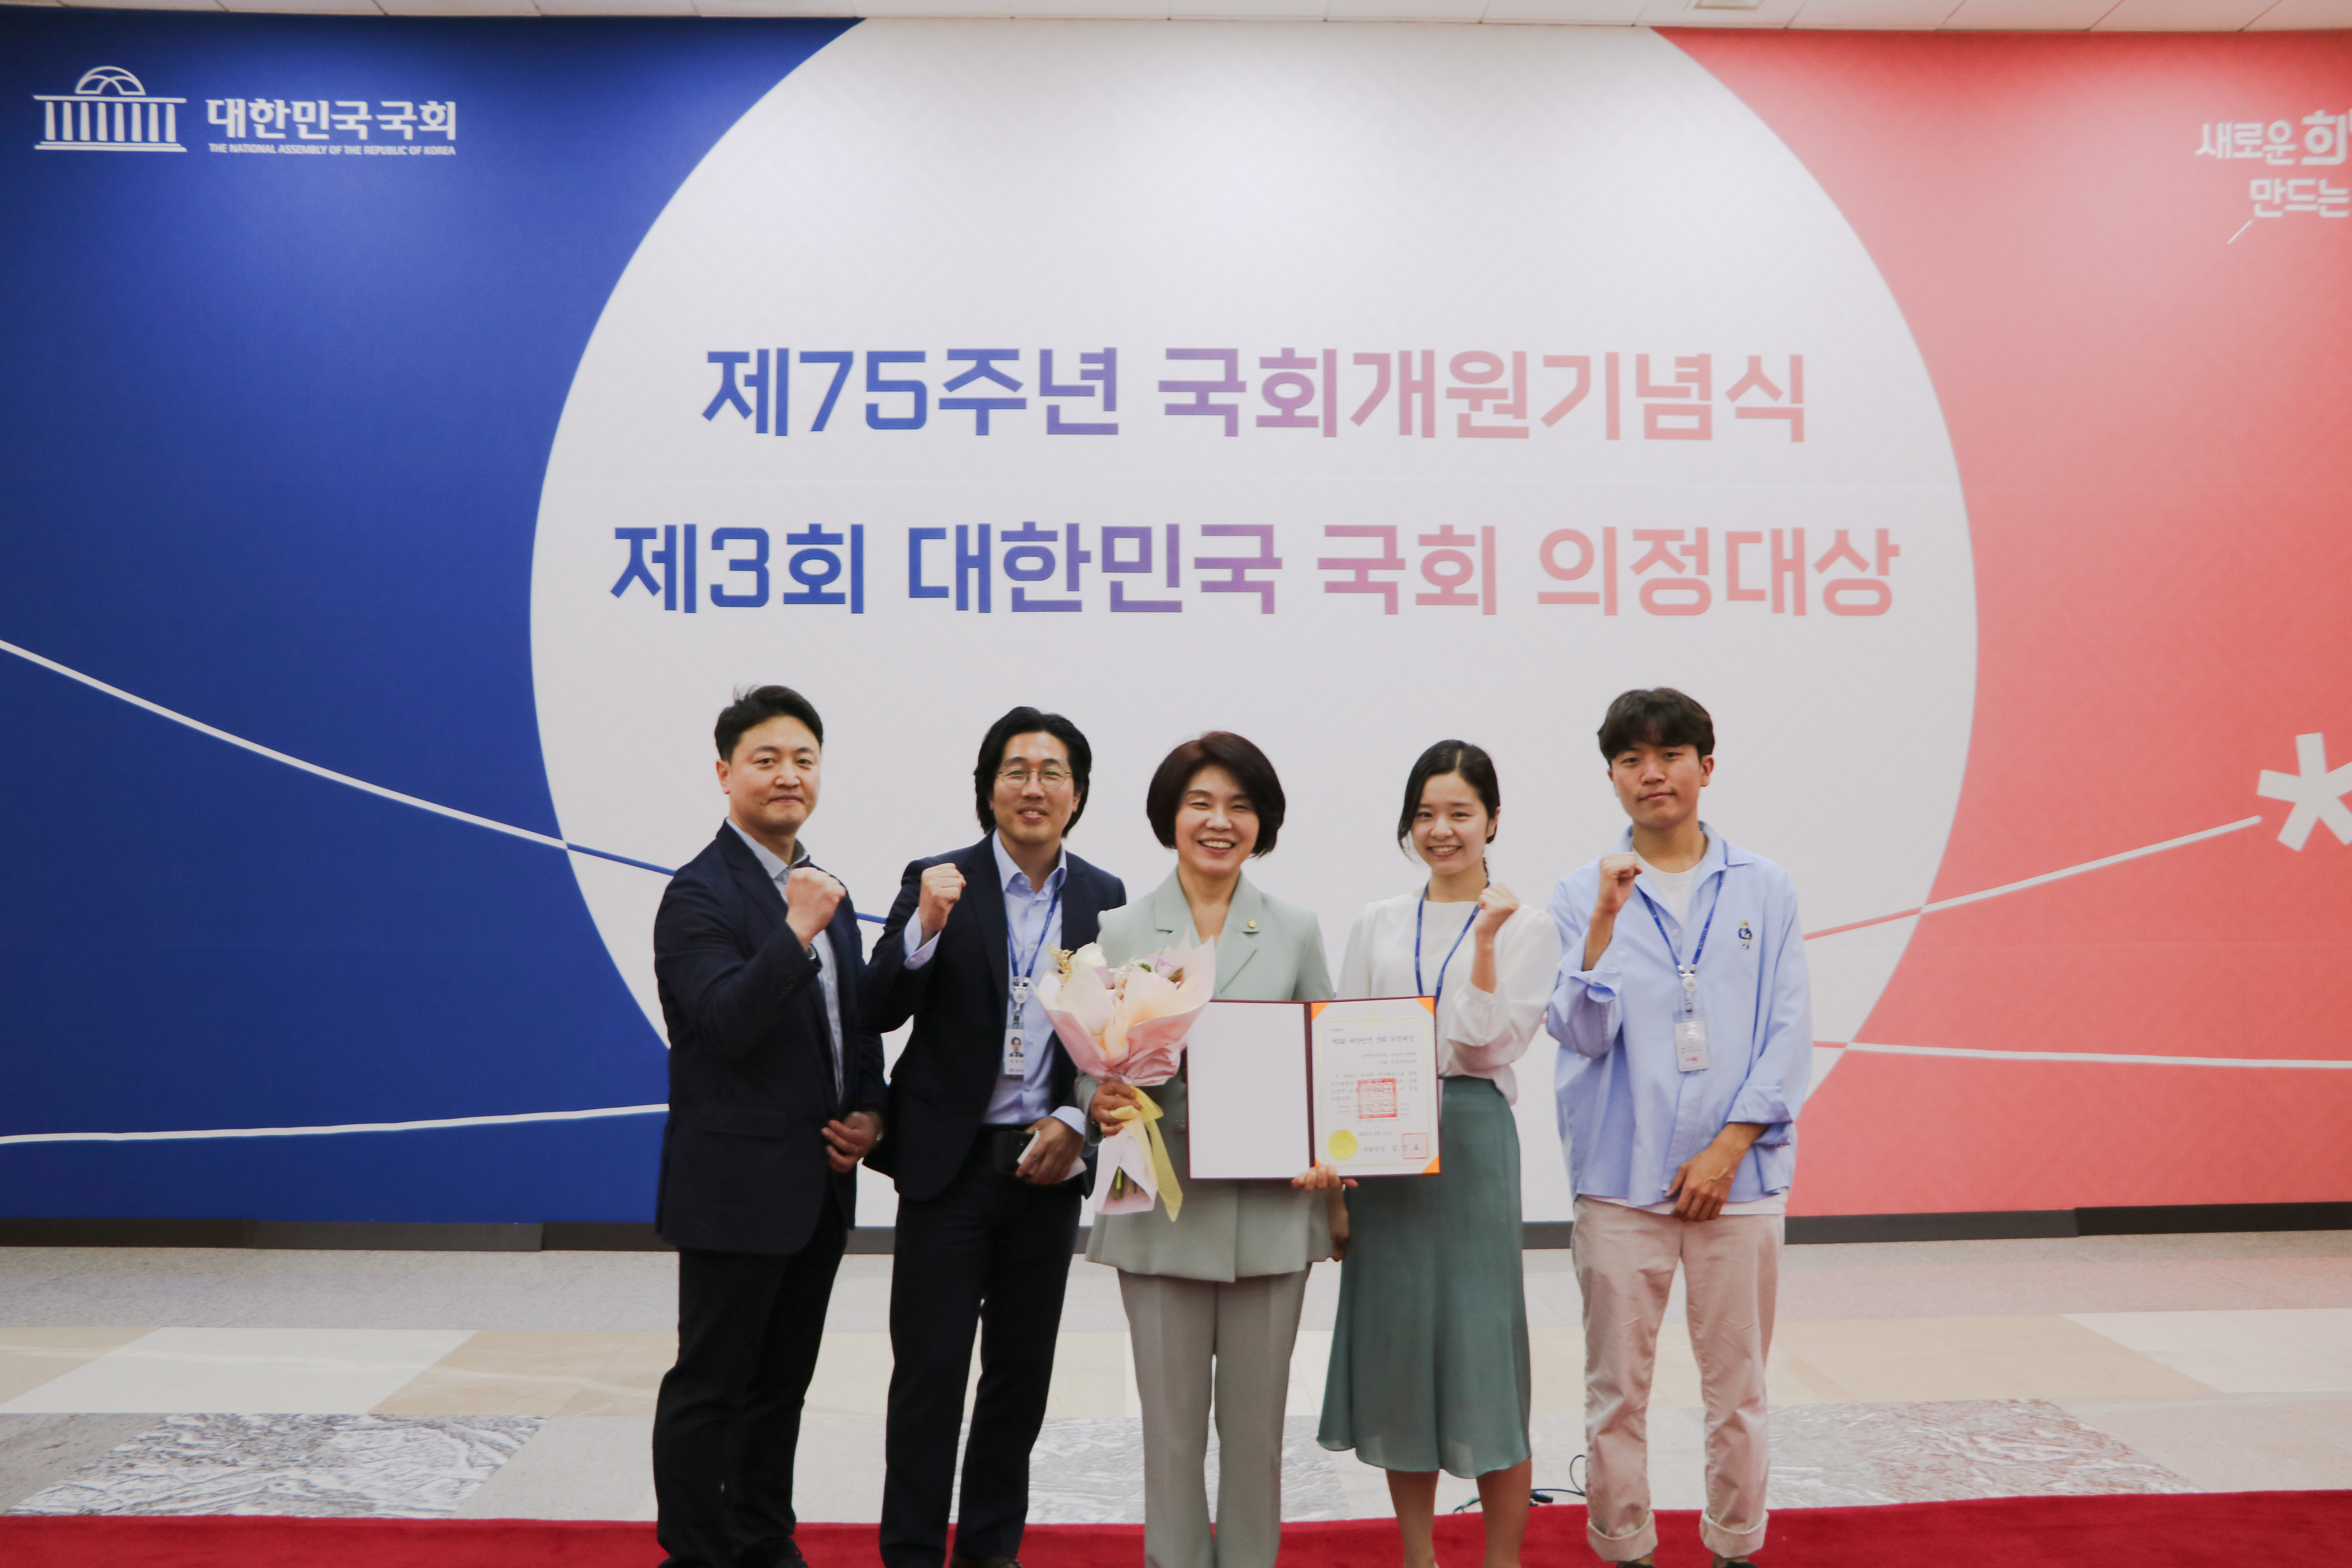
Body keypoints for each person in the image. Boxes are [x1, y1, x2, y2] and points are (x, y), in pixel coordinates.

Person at [1544, 689, 1812, 1568]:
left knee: (1738, 1389)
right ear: (1613, 777)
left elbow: (1787, 1031)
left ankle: (1736, 1544)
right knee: (1617, 1392)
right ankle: (1625, 1546)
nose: (1651, 773)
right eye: (1631, 759)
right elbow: (1581, 1034)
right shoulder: (1583, 892)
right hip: (1621, 1180)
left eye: (1669, 755)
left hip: (1740, 1179)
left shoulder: (1764, 886)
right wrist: (1603, 925)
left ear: (1706, 765)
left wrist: (1728, 1149)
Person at [864, 707, 1127, 1568]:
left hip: (1045, 1168)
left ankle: (989, 1550)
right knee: (929, 1374)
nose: (1034, 788)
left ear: (1077, 793)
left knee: (1019, 1377)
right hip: (947, 1167)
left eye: (1053, 773)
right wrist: (924, 927)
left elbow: (1118, 1041)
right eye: (1016, 771)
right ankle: (910, 1551)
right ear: (987, 789)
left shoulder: (1104, 898)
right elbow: (877, 1007)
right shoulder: (938, 881)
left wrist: (1078, 1123)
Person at [1080, 732, 1342, 1568]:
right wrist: (1099, 1099)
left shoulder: (1294, 929)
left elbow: (1326, 1061)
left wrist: (1332, 1153)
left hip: (1270, 1215)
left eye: (1240, 805)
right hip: (1163, 1213)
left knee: (1258, 1437)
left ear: (1263, 823)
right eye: (1200, 803)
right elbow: (1092, 1062)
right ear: (1171, 815)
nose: (1219, 821)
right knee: (1171, 1434)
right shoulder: (1121, 927)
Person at [649, 684, 887, 1568]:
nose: (789, 775)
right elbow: (724, 1023)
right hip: (734, 1189)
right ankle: (695, 1553)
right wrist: (794, 930)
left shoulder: (825, 889)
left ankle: (762, 1540)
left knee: (782, 1386)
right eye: (766, 759)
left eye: (804, 759)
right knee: (711, 1383)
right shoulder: (697, 895)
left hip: (817, 1188)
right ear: (725, 773)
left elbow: (856, 1028)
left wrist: (870, 1111)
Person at [1318, 740, 1561, 1568]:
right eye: (1425, 814)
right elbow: (1343, 1042)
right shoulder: (1378, 920)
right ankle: (1417, 1555)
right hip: (1381, 1142)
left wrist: (1486, 937)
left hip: (1470, 1131)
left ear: (1493, 819)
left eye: (1460, 812)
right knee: (1401, 1349)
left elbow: (1487, 1044)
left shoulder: (1530, 926)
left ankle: (1502, 1558)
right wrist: (1337, 1191)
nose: (1441, 830)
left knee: (1482, 1347)